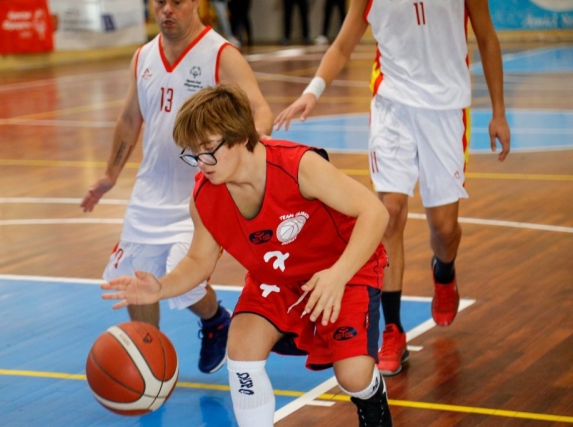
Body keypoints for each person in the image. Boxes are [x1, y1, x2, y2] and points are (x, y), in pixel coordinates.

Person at [101, 84, 393, 426]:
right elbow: (199, 261)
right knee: (241, 348)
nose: (201, 162)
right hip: (276, 279)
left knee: (354, 377)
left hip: (341, 269)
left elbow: (375, 212)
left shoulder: (298, 165)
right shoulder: (204, 195)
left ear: (239, 136)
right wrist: (160, 288)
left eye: (208, 150)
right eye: (193, 153)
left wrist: (338, 274)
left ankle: (372, 396)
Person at [275, 0, 511, 376]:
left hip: (446, 108)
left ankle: (444, 271)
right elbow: (343, 45)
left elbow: (486, 37)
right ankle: (393, 329)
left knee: (444, 229)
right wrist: (312, 91)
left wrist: (498, 111)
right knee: (390, 214)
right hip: (392, 106)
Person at [81, 0, 273, 375]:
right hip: (149, 192)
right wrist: (110, 176)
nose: (167, 10)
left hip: (200, 193)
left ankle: (215, 320)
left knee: (182, 279)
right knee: (136, 280)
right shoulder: (143, 57)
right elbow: (129, 119)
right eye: (159, 2)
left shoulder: (220, 54)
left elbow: (259, 108)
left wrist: (254, 143)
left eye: (177, 2)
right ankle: (147, 363)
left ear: (195, 3)